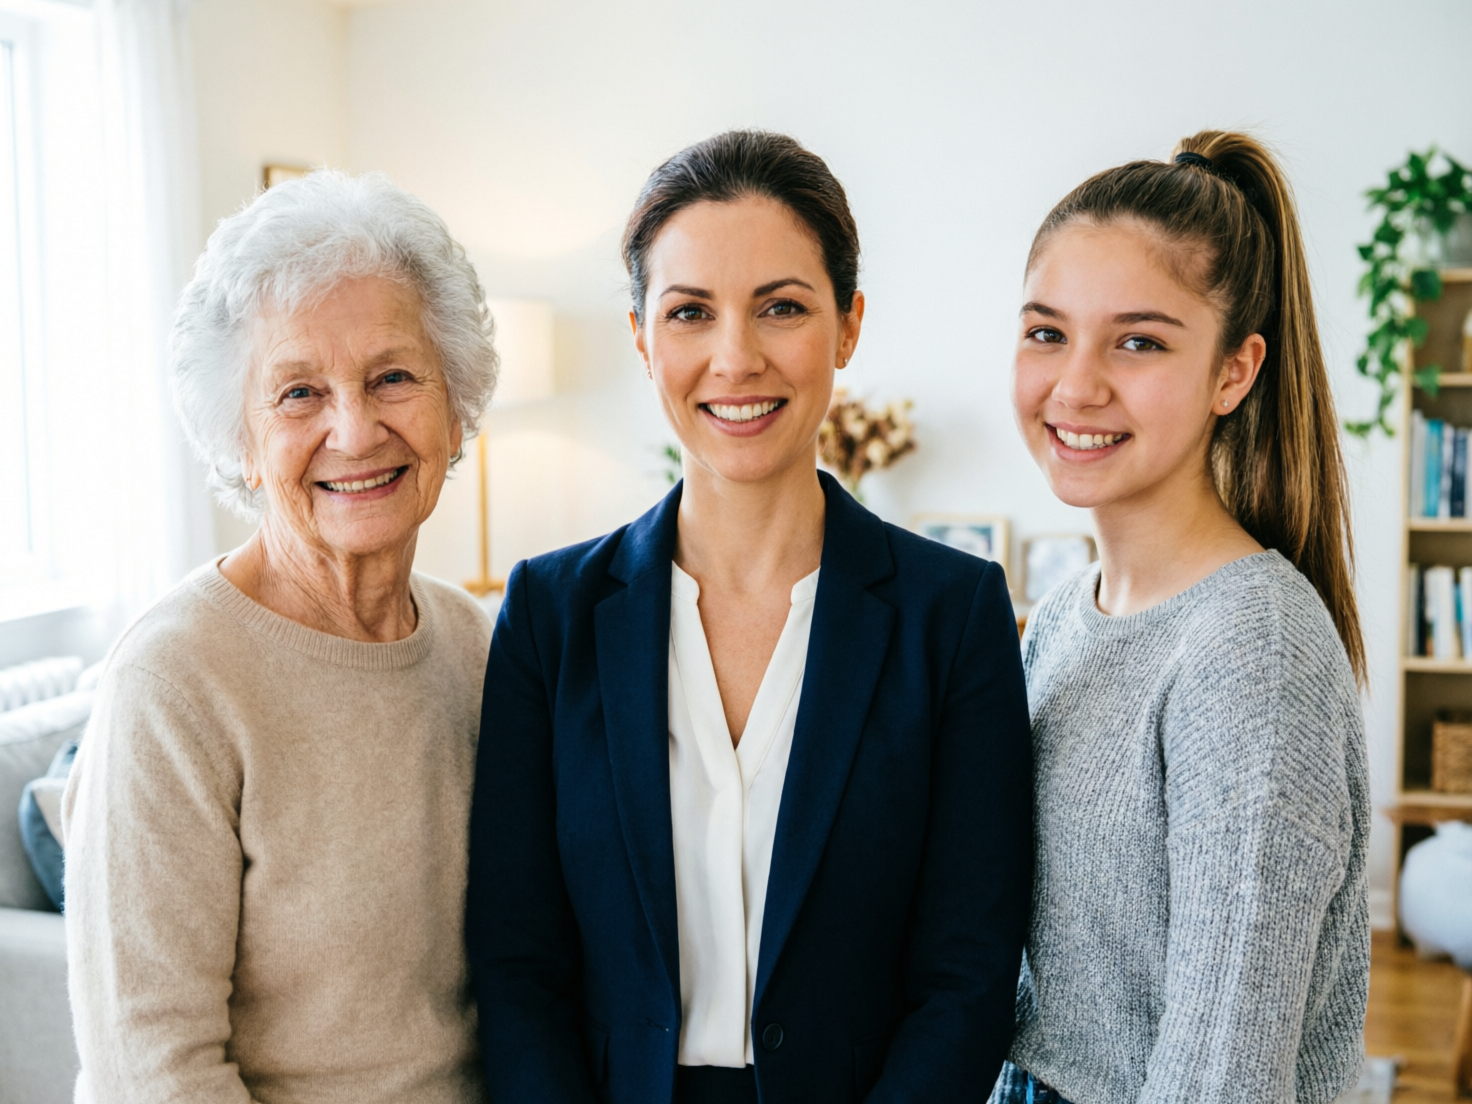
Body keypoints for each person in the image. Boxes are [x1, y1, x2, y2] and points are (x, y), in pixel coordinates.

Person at [466, 130, 1033, 1104]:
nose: (735, 358)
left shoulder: (955, 614)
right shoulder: (547, 618)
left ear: (847, 326)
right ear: (643, 338)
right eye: (689, 313)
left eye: (780, 308)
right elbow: (518, 964)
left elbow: (967, 975)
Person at [63, 171, 498, 1103]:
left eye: (393, 377)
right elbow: (152, 1072)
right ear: (241, 446)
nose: (354, 428)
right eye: (299, 393)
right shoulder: (175, 679)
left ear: (455, 408)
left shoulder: (478, 646)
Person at [994, 131, 1370, 1104]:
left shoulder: (1251, 649)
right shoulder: (1062, 619)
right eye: (1045, 332)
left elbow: (1223, 1078)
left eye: (1137, 341)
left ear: (1231, 374)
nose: (1075, 385)